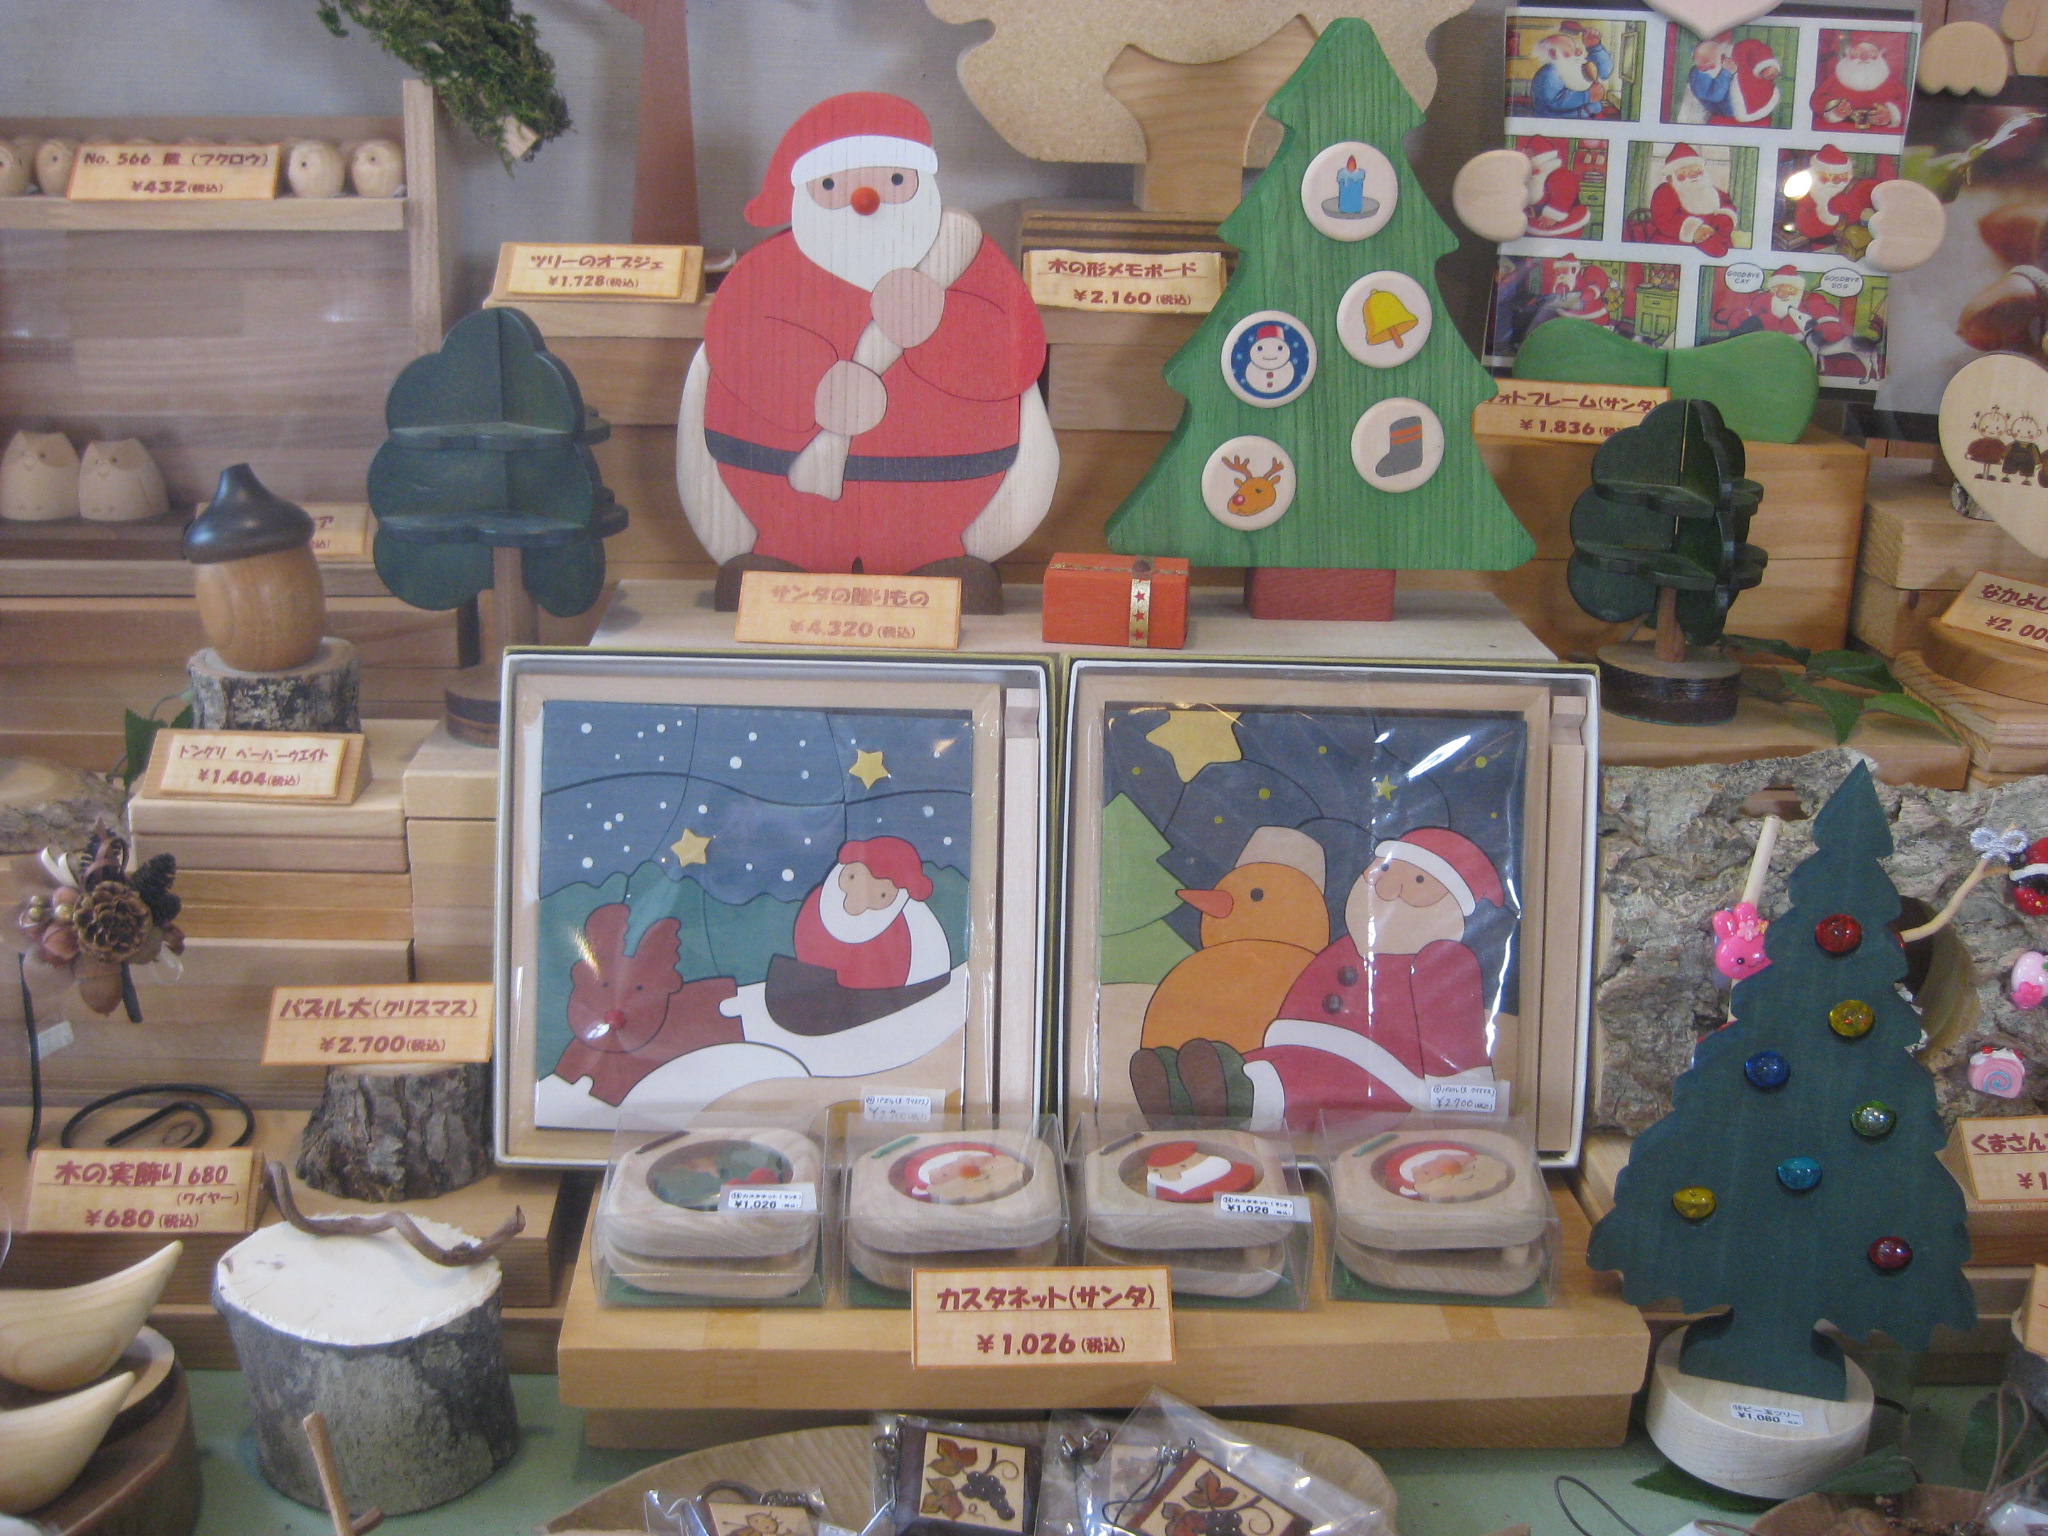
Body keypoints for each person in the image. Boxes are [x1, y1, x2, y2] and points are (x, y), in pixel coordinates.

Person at [685, 93, 1049, 611]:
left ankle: (939, 558)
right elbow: (739, 341)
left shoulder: (969, 263)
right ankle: (781, 556)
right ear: (804, 195)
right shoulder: (768, 271)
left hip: (945, 484)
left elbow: (1015, 355)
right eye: (832, 187)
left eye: (895, 181)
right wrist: (813, 385)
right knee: (784, 536)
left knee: (941, 554)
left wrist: (943, 325)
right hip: (773, 481)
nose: (865, 199)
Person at [1135, 828, 1509, 1132]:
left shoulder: (1442, 959)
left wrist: (1458, 1103)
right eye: (1385, 870)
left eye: (1417, 880)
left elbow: (1453, 1037)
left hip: (1374, 1072)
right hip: (1298, 1045)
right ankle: (1174, 1084)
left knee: (1281, 1085)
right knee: (1252, 1065)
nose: (1391, 886)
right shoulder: (1348, 945)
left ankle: (1232, 1095)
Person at [792, 835, 951, 989]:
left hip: (884, 992)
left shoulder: (905, 926)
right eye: (852, 877)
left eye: (882, 895)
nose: (858, 898)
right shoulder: (820, 902)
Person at [1647, 142, 1737, 256]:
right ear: (1671, 178)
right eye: (1684, 172)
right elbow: (1664, 218)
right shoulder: (1666, 191)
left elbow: (1727, 204)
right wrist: (1695, 230)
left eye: (1697, 169)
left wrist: (1724, 218)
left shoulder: (1710, 189)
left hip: (1714, 235)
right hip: (1677, 242)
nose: (1693, 174)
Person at [1811, 33, 1908, 131]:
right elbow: (1817, 100)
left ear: (1880, 56)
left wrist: (1891, 114)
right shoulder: (1836, 77)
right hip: (1840, 131)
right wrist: (1834, 110)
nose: (1864, 58)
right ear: (1848, 55)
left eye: (1871, 54)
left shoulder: (1890, 80)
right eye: (1857, 54)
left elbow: (1907, 103)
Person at [1790, 144, 1876, 250]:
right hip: (1822, 248)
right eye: (1829, 176)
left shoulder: (1858, 187)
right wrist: (1832, 210)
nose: (1836, 182)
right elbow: (1806, 228)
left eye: (1842, 176)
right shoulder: (1810, 194)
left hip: (1856, 245)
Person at [1528, 21, 1616, 118]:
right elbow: (1555, 102)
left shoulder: (1574, 67)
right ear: (1553, 54)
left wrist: (1594, 47)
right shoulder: (1549, 73)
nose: (1578, 52)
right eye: (1571, 48)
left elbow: (1604, 72)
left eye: (1576, 48)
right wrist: (1587, 96)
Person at [1523, 135, 1592, 237]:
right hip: (1533, 221)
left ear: (1538, 158)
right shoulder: (1527, 175)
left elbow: (1565, 195)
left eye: (1528, 154)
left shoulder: (1560, 175)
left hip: (1563, 223)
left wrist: (1552, 215)